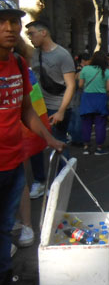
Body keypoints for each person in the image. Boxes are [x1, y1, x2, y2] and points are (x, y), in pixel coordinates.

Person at [0, 0, 64, 285]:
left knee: (3, 229)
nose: (9, 28)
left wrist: (49, 139)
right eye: (2, 22)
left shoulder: (18, 63)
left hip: (14, 164)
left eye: (13, 22)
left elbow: (26, 110)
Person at [25, 19, 76, 198]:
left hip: (58, 107)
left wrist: (62, 110)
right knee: (35, 145)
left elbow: (71, 85)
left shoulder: (62, 55)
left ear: (43, 32)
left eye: (31, 33)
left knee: (59, 143)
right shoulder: (34, 54)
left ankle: (60, 183)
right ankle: (39, 181)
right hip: (39, 108)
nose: (30, 38)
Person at [78, 50, 109, 155]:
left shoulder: (85, 69)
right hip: (100, 99)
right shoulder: (106, 71)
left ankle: (86, 146)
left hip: (87, 98)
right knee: (100, 124)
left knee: (86, 123)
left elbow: (80, 85)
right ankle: (99, 147)